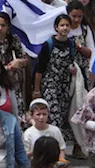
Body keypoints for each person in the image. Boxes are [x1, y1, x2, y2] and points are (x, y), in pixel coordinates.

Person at [34, 14, 79, 157]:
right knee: (54, 117)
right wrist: (36, 89)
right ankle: (58, 153)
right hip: (50, 85)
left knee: (64, 117)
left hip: (64, 86)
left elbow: (75, 62)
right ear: (56, 27)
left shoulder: (72, 44)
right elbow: (39, 69)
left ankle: (54, 149)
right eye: (62, 25)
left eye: (67, 25)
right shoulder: (48, 45)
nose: (64, 28)